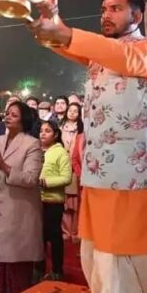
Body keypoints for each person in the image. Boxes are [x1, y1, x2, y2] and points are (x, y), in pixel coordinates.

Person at [29, 0, 147, 293]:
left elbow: (108, 52)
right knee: (99, 264)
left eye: (116, 9)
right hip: (96, 179)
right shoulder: (100, 56)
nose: (106, 14)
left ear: (136, 16)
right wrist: (46, 25)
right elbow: (66, 45)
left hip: (132, 183)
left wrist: (65, 33)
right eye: (103, 8)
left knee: (133, 267)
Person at [0, 101, 43, 293]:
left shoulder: (31, 144)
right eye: (7, 114)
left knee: (15, 256)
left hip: (19, 210)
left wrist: (4, 167)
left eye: (13, 115)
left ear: (23, 119)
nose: (7, 117)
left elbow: (31, 179)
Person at [35, 120, 72, 281]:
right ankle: (39, 268)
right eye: (42, 130)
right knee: (38, 236)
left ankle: (57, 270)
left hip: (53, 201)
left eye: (48, 131)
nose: (43, 133)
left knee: (54, 237)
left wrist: (46, 182)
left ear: (56, 135)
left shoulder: (60, 152)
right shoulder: (36, 150)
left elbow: (67, 178)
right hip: (37, 200)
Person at [61, 102, 85, 243]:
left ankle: (75, 231)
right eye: (70, 110)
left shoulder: (82, 131)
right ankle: (65, 231)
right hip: (62, 168)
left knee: (76, 204)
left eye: (76, 111)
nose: (72, 113)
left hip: (76, 169)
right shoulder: (59, 127)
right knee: (64, 203)